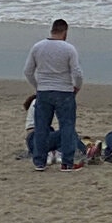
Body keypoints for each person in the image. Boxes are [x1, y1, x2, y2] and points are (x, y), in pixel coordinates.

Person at [23, 18, 85, 171]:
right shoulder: (69, 49)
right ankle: (67, 162)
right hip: (64, 91)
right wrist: (77, 87)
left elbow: (28, 71)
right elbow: (77, 73)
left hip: (44, 90)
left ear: (52, 30)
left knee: (41, 127)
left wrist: (38, 86)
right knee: (67, 127)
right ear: (65, 32)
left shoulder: (38, 47)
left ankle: (40, 161)